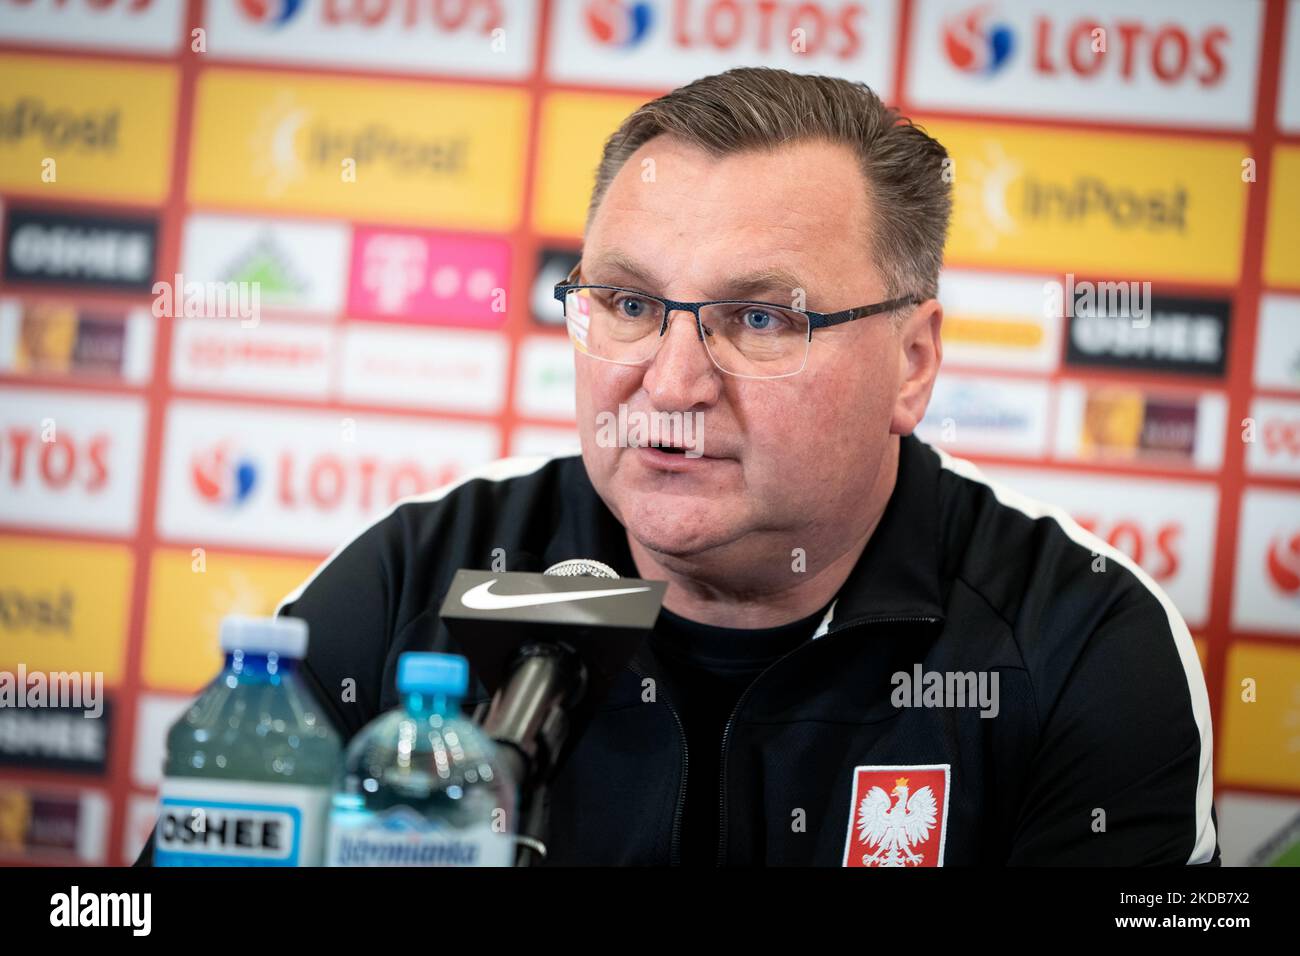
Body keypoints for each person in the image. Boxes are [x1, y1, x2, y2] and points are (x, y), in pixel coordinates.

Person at [137, 66, 1217, 866]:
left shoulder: (1076, 637)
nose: (670, 382)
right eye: (631, 305)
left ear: (912, 361)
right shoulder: (424, 579)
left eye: (758, 316)